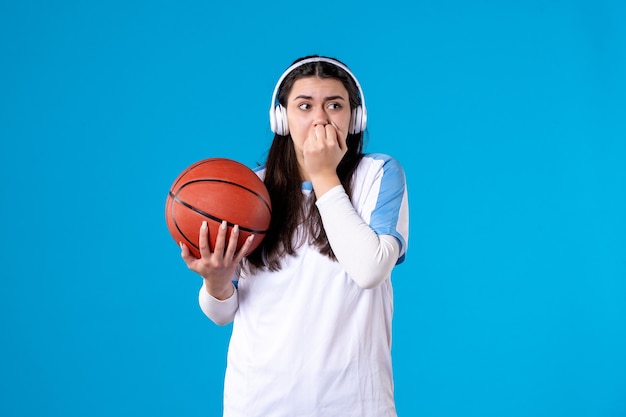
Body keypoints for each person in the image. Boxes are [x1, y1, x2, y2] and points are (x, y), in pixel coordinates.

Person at [180, 55, 409, 417]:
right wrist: (217, 282)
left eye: (335, 105)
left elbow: (369, 270)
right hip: (257, 403)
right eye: (304, 106)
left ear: (355, 118)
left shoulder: (378, 174)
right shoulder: (249, 190)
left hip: (356, 405)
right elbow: (221, 314)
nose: (320, 118)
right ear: (282, 118)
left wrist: (323, 175)